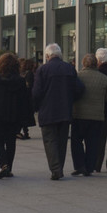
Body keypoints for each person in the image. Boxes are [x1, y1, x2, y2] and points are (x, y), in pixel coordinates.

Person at [32, 44, 82, 181]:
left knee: (50, 141)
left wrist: (36, 107)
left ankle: (55, 169)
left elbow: (36, 93)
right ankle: (59, 166)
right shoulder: (69, 68)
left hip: (47, 111)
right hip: (65, 111)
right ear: (60, 55)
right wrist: (70, 100)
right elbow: (79, 89)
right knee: (61, 141)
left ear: (47, 56)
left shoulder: (42, 70)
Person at [0, 51, 31, 179]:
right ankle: (9, 167)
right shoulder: (20, 81)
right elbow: (25, 100)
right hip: (14, 116)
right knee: (11, 141)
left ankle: (4, 165)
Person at [71, 53, 107, 176]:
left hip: (79, 114)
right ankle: (89, 167)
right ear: (96, 63)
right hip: (96, 116)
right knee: (93, 142)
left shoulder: (78, 76)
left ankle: (79, 165)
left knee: (76, 141)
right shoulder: (103, 78)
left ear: (83, 63)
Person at [19, 57, 39, 139]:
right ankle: (24, 132)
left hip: (23, 97)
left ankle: (24, 132)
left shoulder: (22, 73)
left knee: (23, 116)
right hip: (28, 98)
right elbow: (30, 86)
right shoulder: (30, 74)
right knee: (25, 116)